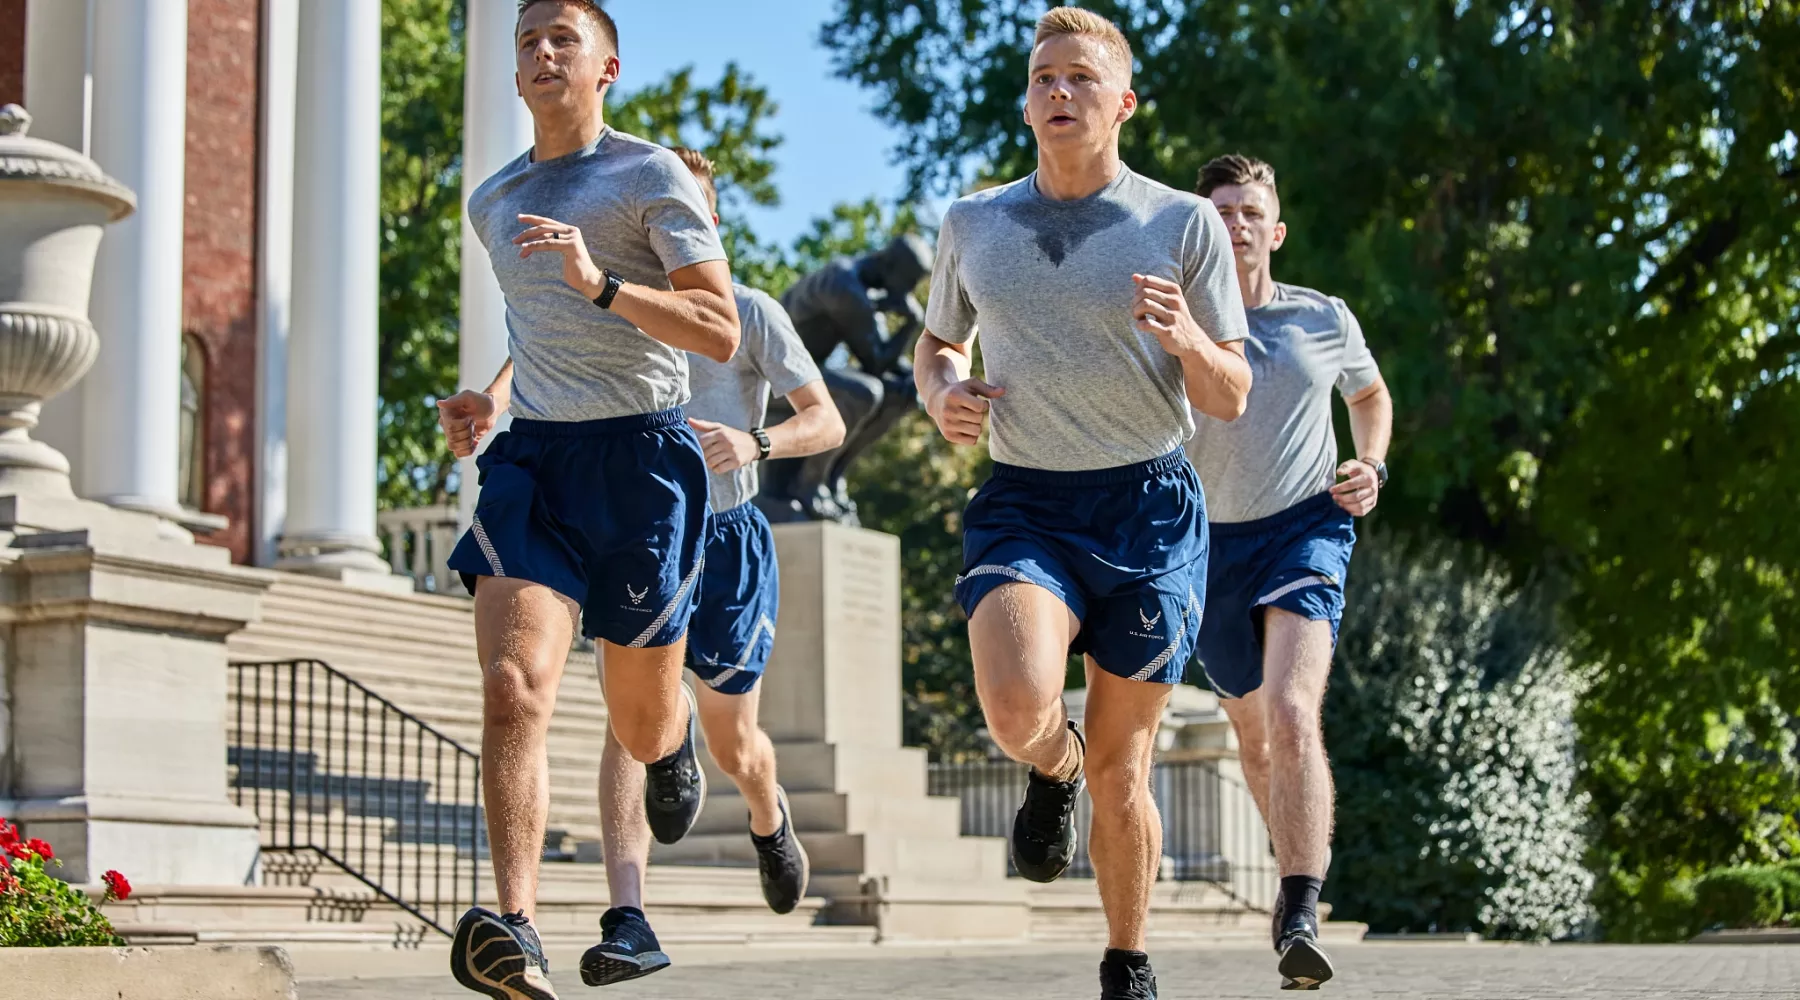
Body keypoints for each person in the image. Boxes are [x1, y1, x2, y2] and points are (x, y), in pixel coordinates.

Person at [915, 9, 1251, 999]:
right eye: (1043, 78)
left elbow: (1232, 390)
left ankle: (1127, 959)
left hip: (1148, 509)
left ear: (1125, 103)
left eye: (1081, 77)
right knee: (1019, 709)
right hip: (1025, 500)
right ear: (1026, 103)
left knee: (1123, 766)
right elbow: (939, 342)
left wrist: (1187, 338)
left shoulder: (1182, 224)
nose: (1059, 90)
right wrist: (943, 394)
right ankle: (1049, 766)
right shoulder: (974, 222)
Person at [434, 3, 738, 997]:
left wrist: (599, 280)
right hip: (536, 463)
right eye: (527, 40)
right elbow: (536, 329)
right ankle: (515, 928)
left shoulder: (651, 175)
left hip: (644, 461)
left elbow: (719, 327)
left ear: (607, 66)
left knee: (640, 723)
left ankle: (673, 737)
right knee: (513, 684)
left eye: (563, 37)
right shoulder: (494, 199)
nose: (541, 51)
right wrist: (493, 397)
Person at [581, 147, 846, 985]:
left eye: (686, 210)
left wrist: (755, 440)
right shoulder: (612, 305)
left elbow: (827, 420)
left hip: (730, 538)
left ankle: (769, 817)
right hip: (639, 535)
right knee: (627, 722)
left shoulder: (753, 313)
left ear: (711, 224)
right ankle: (627, 915)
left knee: (735, 742)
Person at [1186, 153, 1394, 991]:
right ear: (1201, 229)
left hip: (1307, 528)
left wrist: (1371, 464)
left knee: (1291, 710)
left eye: (1250, 212)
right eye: (1221, 211)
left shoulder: (1323, 316)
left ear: (1276, 231)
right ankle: (1291, 880)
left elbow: (1369, 396)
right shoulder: (1175, 322)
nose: (1237, 223)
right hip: (1207, 548)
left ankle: (1301, 909)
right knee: (1252, 733)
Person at [762, 236, 933, 523]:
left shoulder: (865, 289)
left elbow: (882, 357)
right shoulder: (843, 284)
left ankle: (832, 476)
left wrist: (918, 381)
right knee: (864, 392)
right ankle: (809, 484)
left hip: (802, 379)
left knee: (901, 393)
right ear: (888, 265)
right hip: (769, 381)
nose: (908, 292)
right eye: (908, 282)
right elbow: (876, 363)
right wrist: (911, 324)